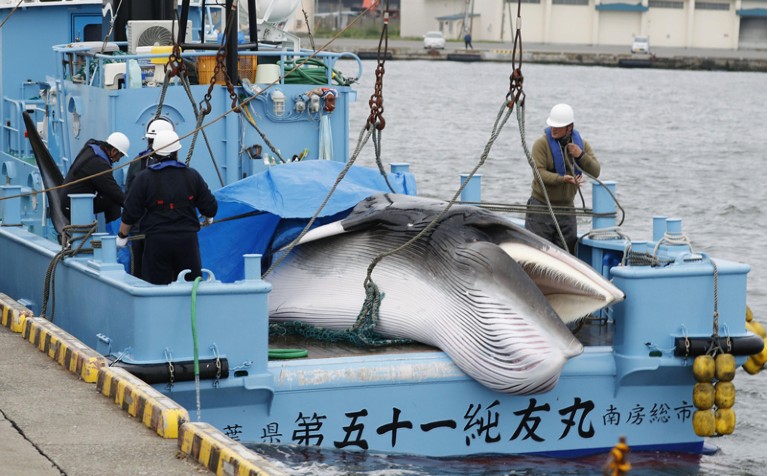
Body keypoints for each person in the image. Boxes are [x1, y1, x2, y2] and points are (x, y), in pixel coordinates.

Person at [117, 130, 217, 285]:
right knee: (192, 287)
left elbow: (130, 212)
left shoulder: (144, 178)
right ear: (176, 151)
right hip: (187, 242)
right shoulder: (192, 175)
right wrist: (209, 217)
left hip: (157, 242)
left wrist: (122, 236)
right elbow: (210, 207)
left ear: (155, 153)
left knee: (156, 288)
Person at [524, 103, 600, 254]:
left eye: (558, 127)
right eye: (552, 125)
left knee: (566, 255)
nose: (553, 129)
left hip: (567, 210)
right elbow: (539, 174)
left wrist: (580, 156)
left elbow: (596, 171)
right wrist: (561, 179)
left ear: (569, 127)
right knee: (537, 255)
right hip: (541, 207)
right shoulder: (541, 144)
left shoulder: (581, 145)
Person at [123, 118, 175, 277]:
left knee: (138, 271)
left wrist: (123, 232)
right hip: (165, 230)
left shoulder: (137, 162)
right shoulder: (176, 168)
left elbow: (130, 198)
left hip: (140, 228)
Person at [59, 132, 130, 222]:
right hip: (72, 206)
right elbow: (114, 192)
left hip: (67, 201)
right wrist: (133, 206)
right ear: (114, 151)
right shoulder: (99, 164)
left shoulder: (92, 148)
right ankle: (116, 233)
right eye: (120, 156)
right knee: (113, 198)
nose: (118, 159)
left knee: (111, 195)